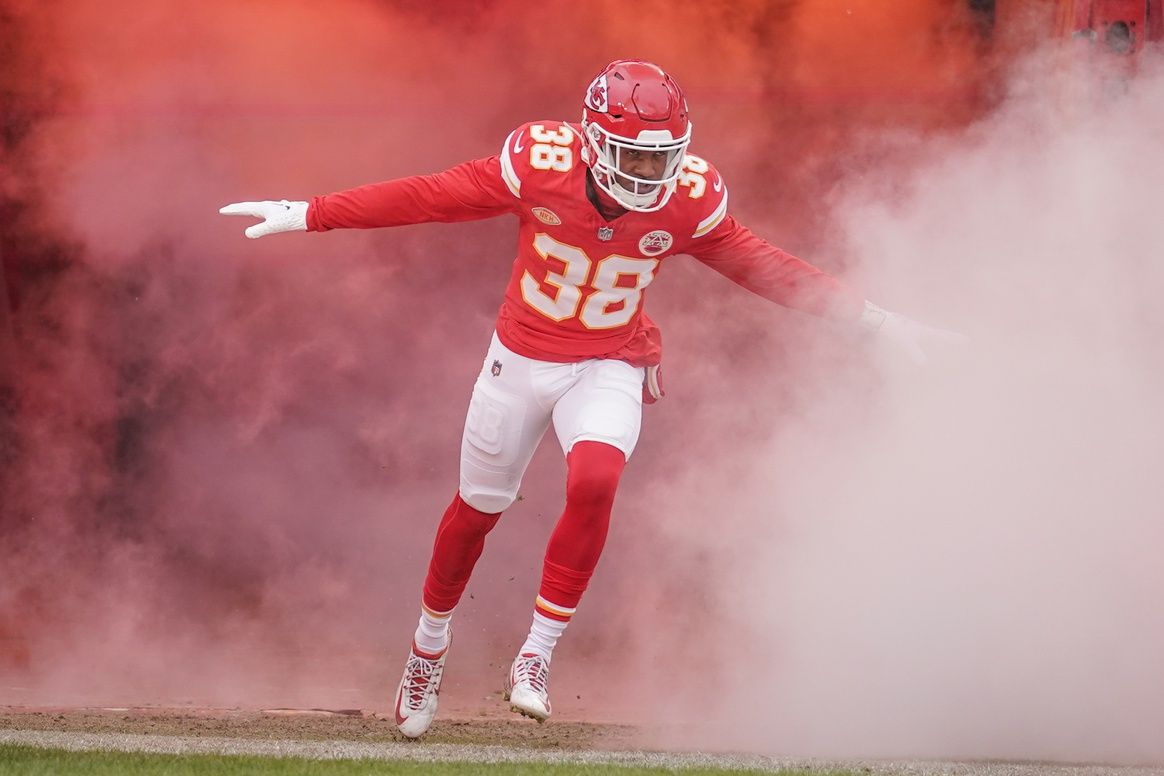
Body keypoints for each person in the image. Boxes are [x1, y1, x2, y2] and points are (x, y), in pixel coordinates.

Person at [220, 59, 957, 738]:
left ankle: (535, 655)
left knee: (598, 477)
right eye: (634, 154)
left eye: (660, 156)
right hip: (520, 359)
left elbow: (764, 267)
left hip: (607, 361)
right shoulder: (538, 165)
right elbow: (430, 197)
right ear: (593, 140)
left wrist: (871, 321)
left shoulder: (688, 199)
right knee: (476, 512)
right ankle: (427, 648)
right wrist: (312, 211)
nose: (648, 170)